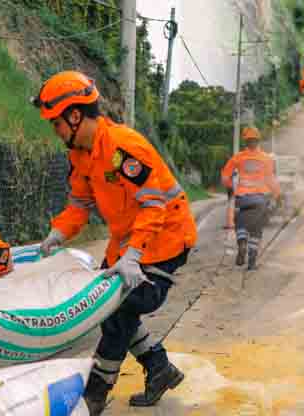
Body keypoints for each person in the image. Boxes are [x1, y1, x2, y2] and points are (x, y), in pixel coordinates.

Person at [32, 71, 197, 414]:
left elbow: (155, 204)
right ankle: (159, 368)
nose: (55, 130)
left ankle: (95, 394)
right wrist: (57, 234)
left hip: (164, 238)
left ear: (75, 115)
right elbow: (79, 204)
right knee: (108, 306)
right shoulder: (80, 155)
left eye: (56, 122)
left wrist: (134, 256)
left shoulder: (123, 147)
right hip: (127, 243)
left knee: (118, 308)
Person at [220, 127, 282, 270]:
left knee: (240, 221)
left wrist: (229, 189)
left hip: (243, 198)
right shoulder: (266, 159)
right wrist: (279, 197)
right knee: (256, 229)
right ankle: (252, 261)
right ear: (258, 141)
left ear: (246, 142)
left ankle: (242, 242)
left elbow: (225, 176)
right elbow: (271, 180)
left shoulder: (238, 157)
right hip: (260, 199)